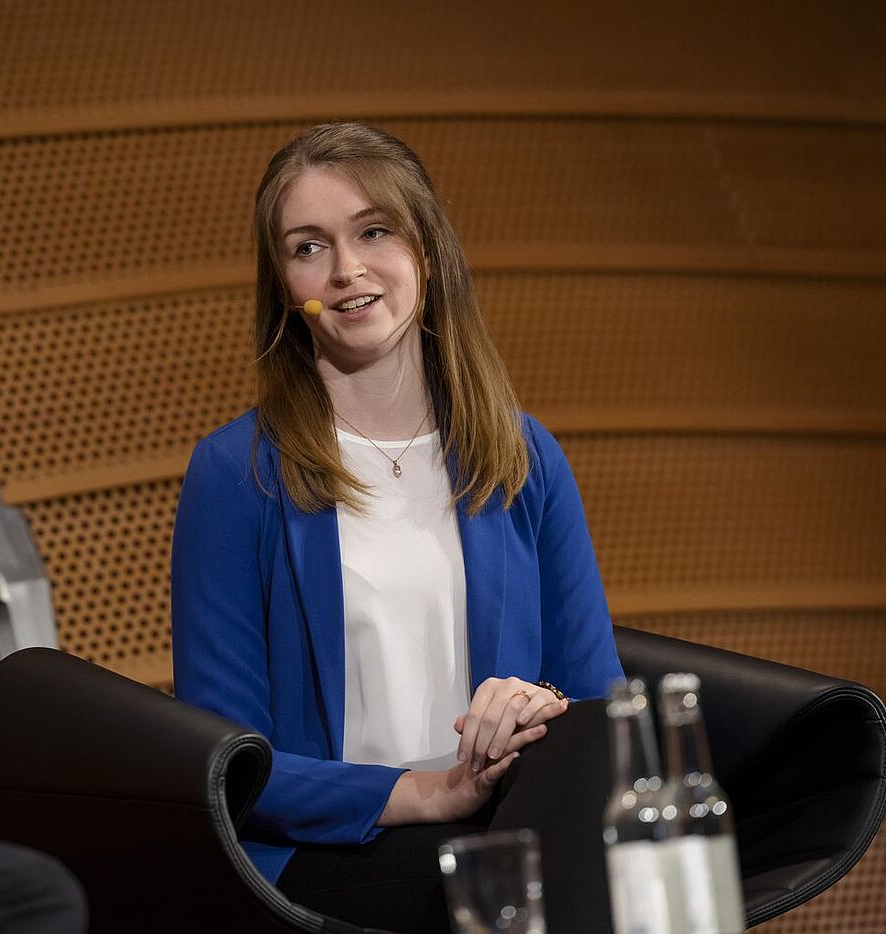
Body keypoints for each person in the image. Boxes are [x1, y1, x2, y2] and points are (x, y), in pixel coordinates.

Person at [171, 122, 623, 933]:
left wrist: (537, 706)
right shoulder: (236, 474)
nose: (346, 269)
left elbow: (595, 702)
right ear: (285, 286)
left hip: (509, 823)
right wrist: (428, 794)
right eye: (309, 247)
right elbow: (228, 763)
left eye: (374, 231)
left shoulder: (523, 456)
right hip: (333, 852)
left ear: (427, 252)